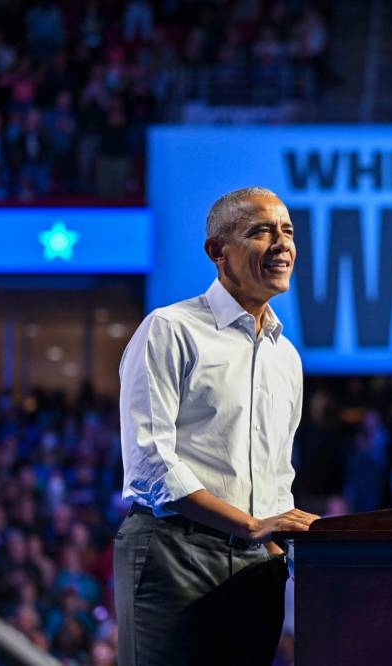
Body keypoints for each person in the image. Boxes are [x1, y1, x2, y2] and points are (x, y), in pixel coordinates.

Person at [114, 187, 319, 665]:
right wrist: (252, 525)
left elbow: (276, 475)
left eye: (287, 231)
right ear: (217, 251)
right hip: (173, 553)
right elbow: (151, 465)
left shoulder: (286, 357)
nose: (282, 244)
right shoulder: (170, 329)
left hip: (256, 567)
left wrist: (274, 545)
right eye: (262, 231)